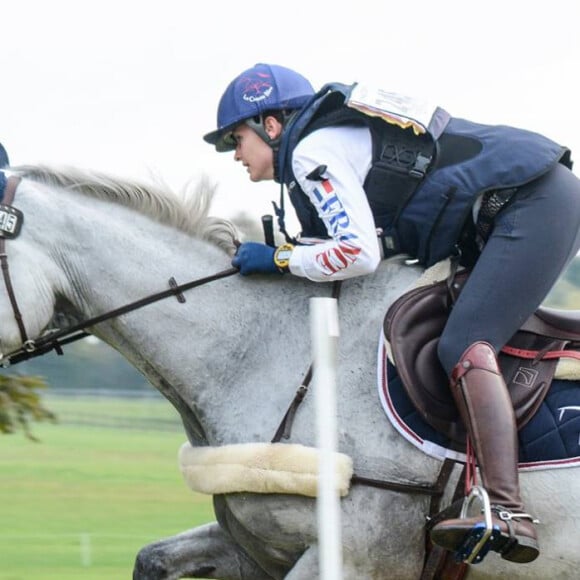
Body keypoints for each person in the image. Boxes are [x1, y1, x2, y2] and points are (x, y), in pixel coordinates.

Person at [204, 63, 580, 563]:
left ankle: (507, 510)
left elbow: (359, 254)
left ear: (271, 126)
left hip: (531, 205)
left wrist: (279, 258)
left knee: (462, 342)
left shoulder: (313, 152)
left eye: (236, 140)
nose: (236, 156)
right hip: (519, 206)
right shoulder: (325, 142)